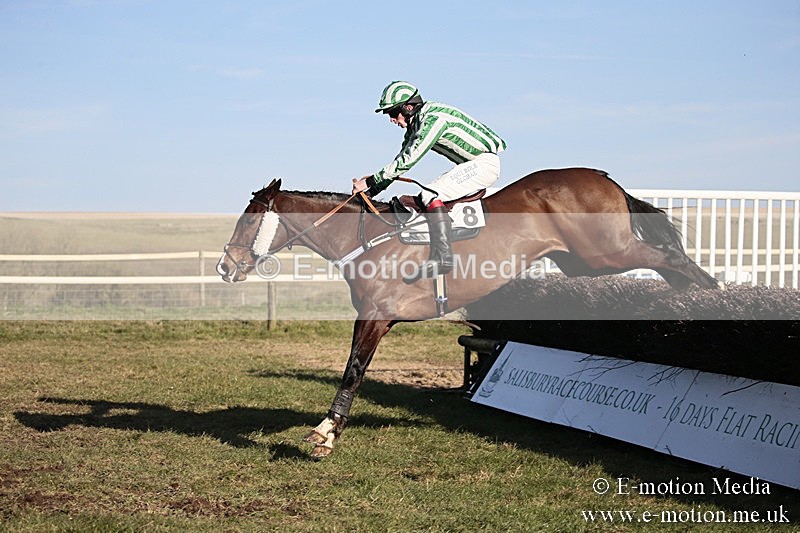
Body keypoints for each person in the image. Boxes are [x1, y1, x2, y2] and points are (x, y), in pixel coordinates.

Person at [352, 81, 507, 279]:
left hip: (484, 164)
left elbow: (410, 159)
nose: (391, 120)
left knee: (429, 194)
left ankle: (443, 256)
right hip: (473, 164)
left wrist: (371, 181)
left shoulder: (432, 120)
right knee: (428, 193)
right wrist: (372, 191)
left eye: (392, 113)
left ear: (408, 107)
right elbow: (399, 160)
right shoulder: (415, 125)